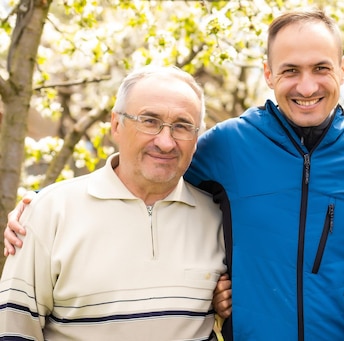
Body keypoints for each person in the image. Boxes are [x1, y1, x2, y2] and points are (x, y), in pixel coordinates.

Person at [4, 8, 344, 341]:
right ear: (268, 74)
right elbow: (147, 172)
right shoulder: (225, 146)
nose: (306, 85)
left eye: (321, 67)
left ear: (342, 70)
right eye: (290, 70)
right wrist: (42, 211)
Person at [0, 65, 226, 340]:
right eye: (149, 121)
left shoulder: (217, 218)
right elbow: (14, 331)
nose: (166, 142)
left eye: (182, 126)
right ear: (116, 124)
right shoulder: (49, 213)